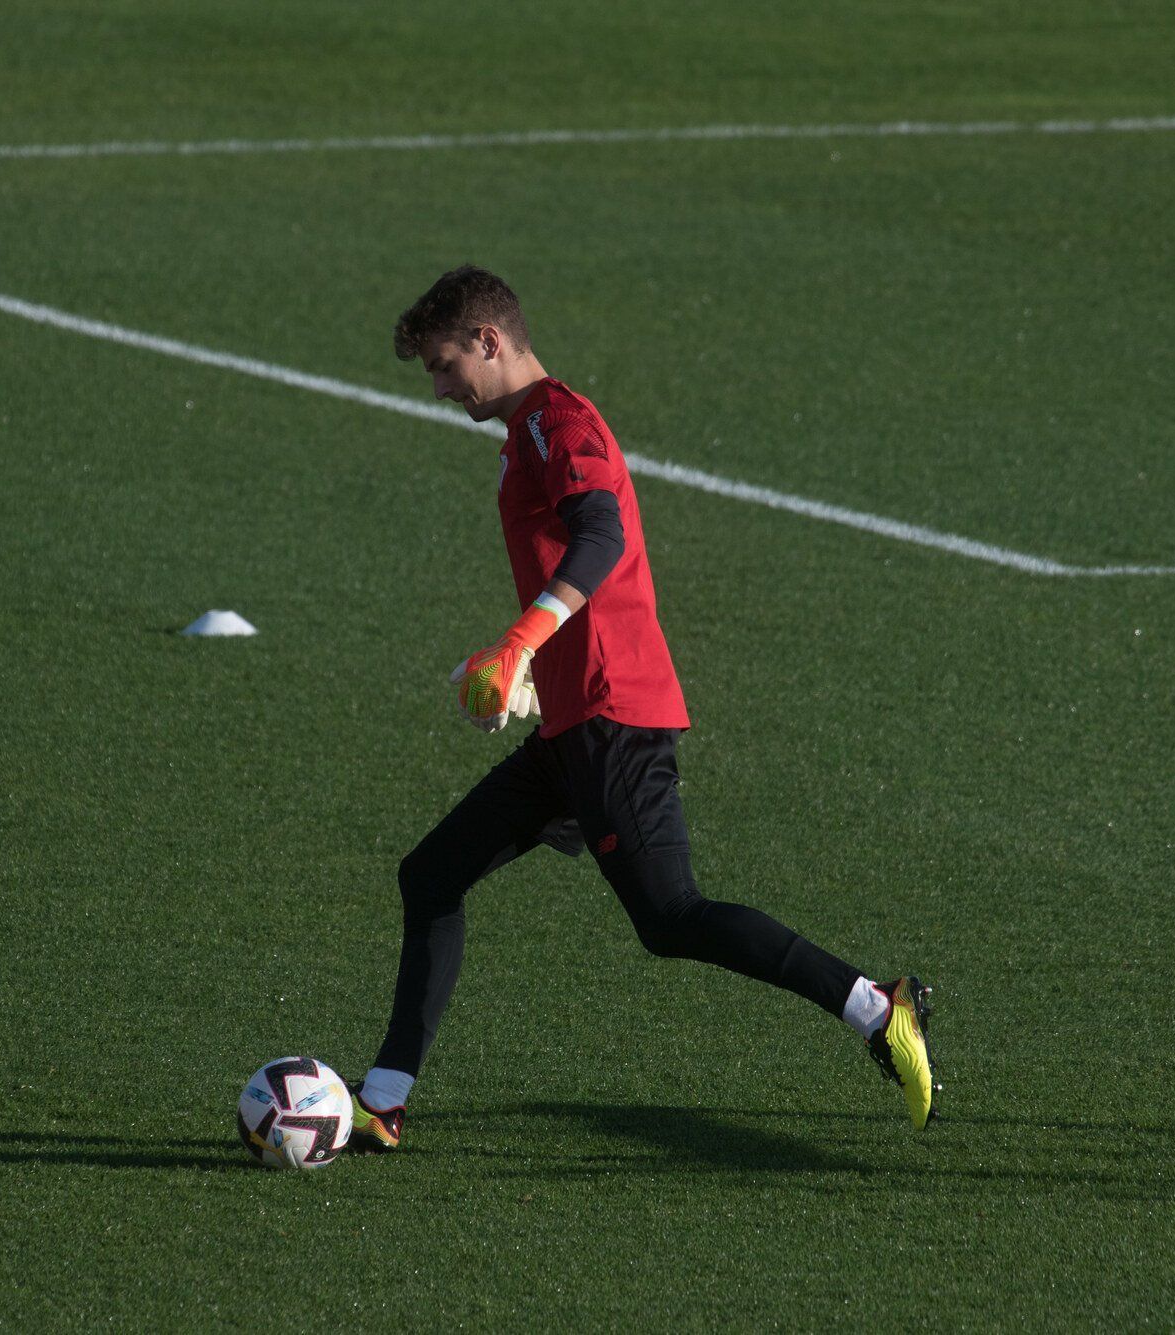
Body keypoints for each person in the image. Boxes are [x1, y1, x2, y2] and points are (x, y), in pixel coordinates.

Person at [349, 265, 936, 1152]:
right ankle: (383, 1100)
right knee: (430, 876)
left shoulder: (558, 423)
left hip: (614, 718)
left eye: (441, 366)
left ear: (489, 341)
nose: (437, 388)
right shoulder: (528, 434)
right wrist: (533, 675)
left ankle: (875, 1008)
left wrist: (518, 643)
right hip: (574, 720)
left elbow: (602, 536)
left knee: (669, 916)